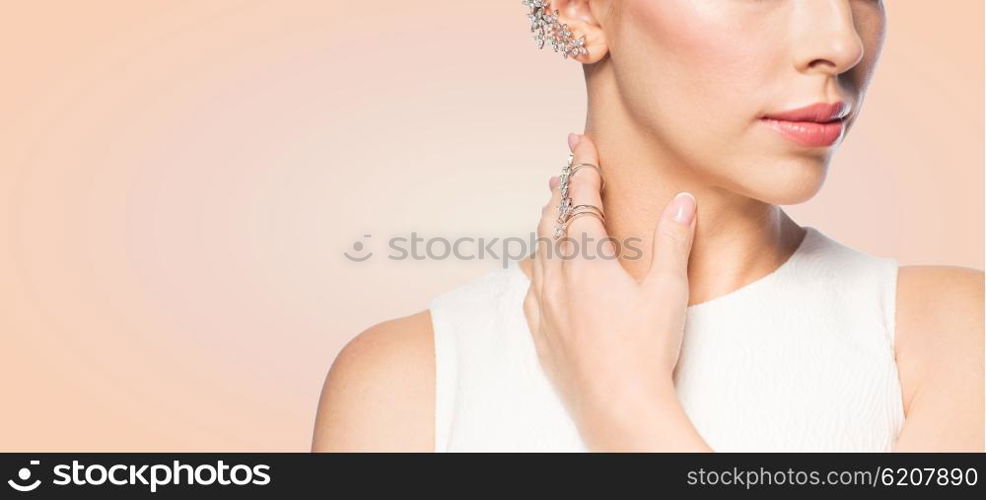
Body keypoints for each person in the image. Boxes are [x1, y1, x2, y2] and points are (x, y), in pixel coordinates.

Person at [311, 0, 984, 451]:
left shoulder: (949, 338)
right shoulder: (408, 382)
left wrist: (625, 403)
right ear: (578, 10)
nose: (843, 42)